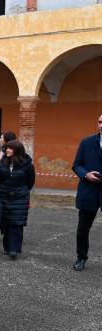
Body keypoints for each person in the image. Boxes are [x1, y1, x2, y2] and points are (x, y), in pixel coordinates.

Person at [0, 140, 35, 259]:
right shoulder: (1, 163)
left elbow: (30, 181)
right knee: (6, 222)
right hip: (3, 196)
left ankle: (14, 249)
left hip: (20, 197)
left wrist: (22, 191)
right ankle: (7, 247)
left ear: (17, 150)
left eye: (10, 148)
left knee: (17, 223)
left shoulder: (27, 165)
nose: (7, 150)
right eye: (7, 148)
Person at [71, 113, 102, 271]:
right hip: (89, 191)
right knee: (83, 229)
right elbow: (76, 165)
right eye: (100, 122)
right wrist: (86, 174)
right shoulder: (87, 142)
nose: (101, 125)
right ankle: (81, 257)